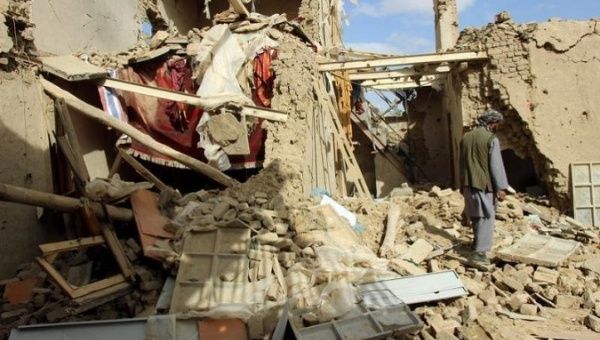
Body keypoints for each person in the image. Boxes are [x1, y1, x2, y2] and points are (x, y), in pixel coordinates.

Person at [459, 110, 509, 267]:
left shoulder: (466, 138)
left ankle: (476, 244)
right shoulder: (491, 139)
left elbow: (461, 163)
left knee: (475, 215)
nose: (497, 128)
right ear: (493, 123)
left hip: (468, 183)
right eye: (497, 125)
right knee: (486, 217)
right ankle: (480, 253)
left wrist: (462, 184)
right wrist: (501, 187)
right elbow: (496, 165)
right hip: (484, 185)